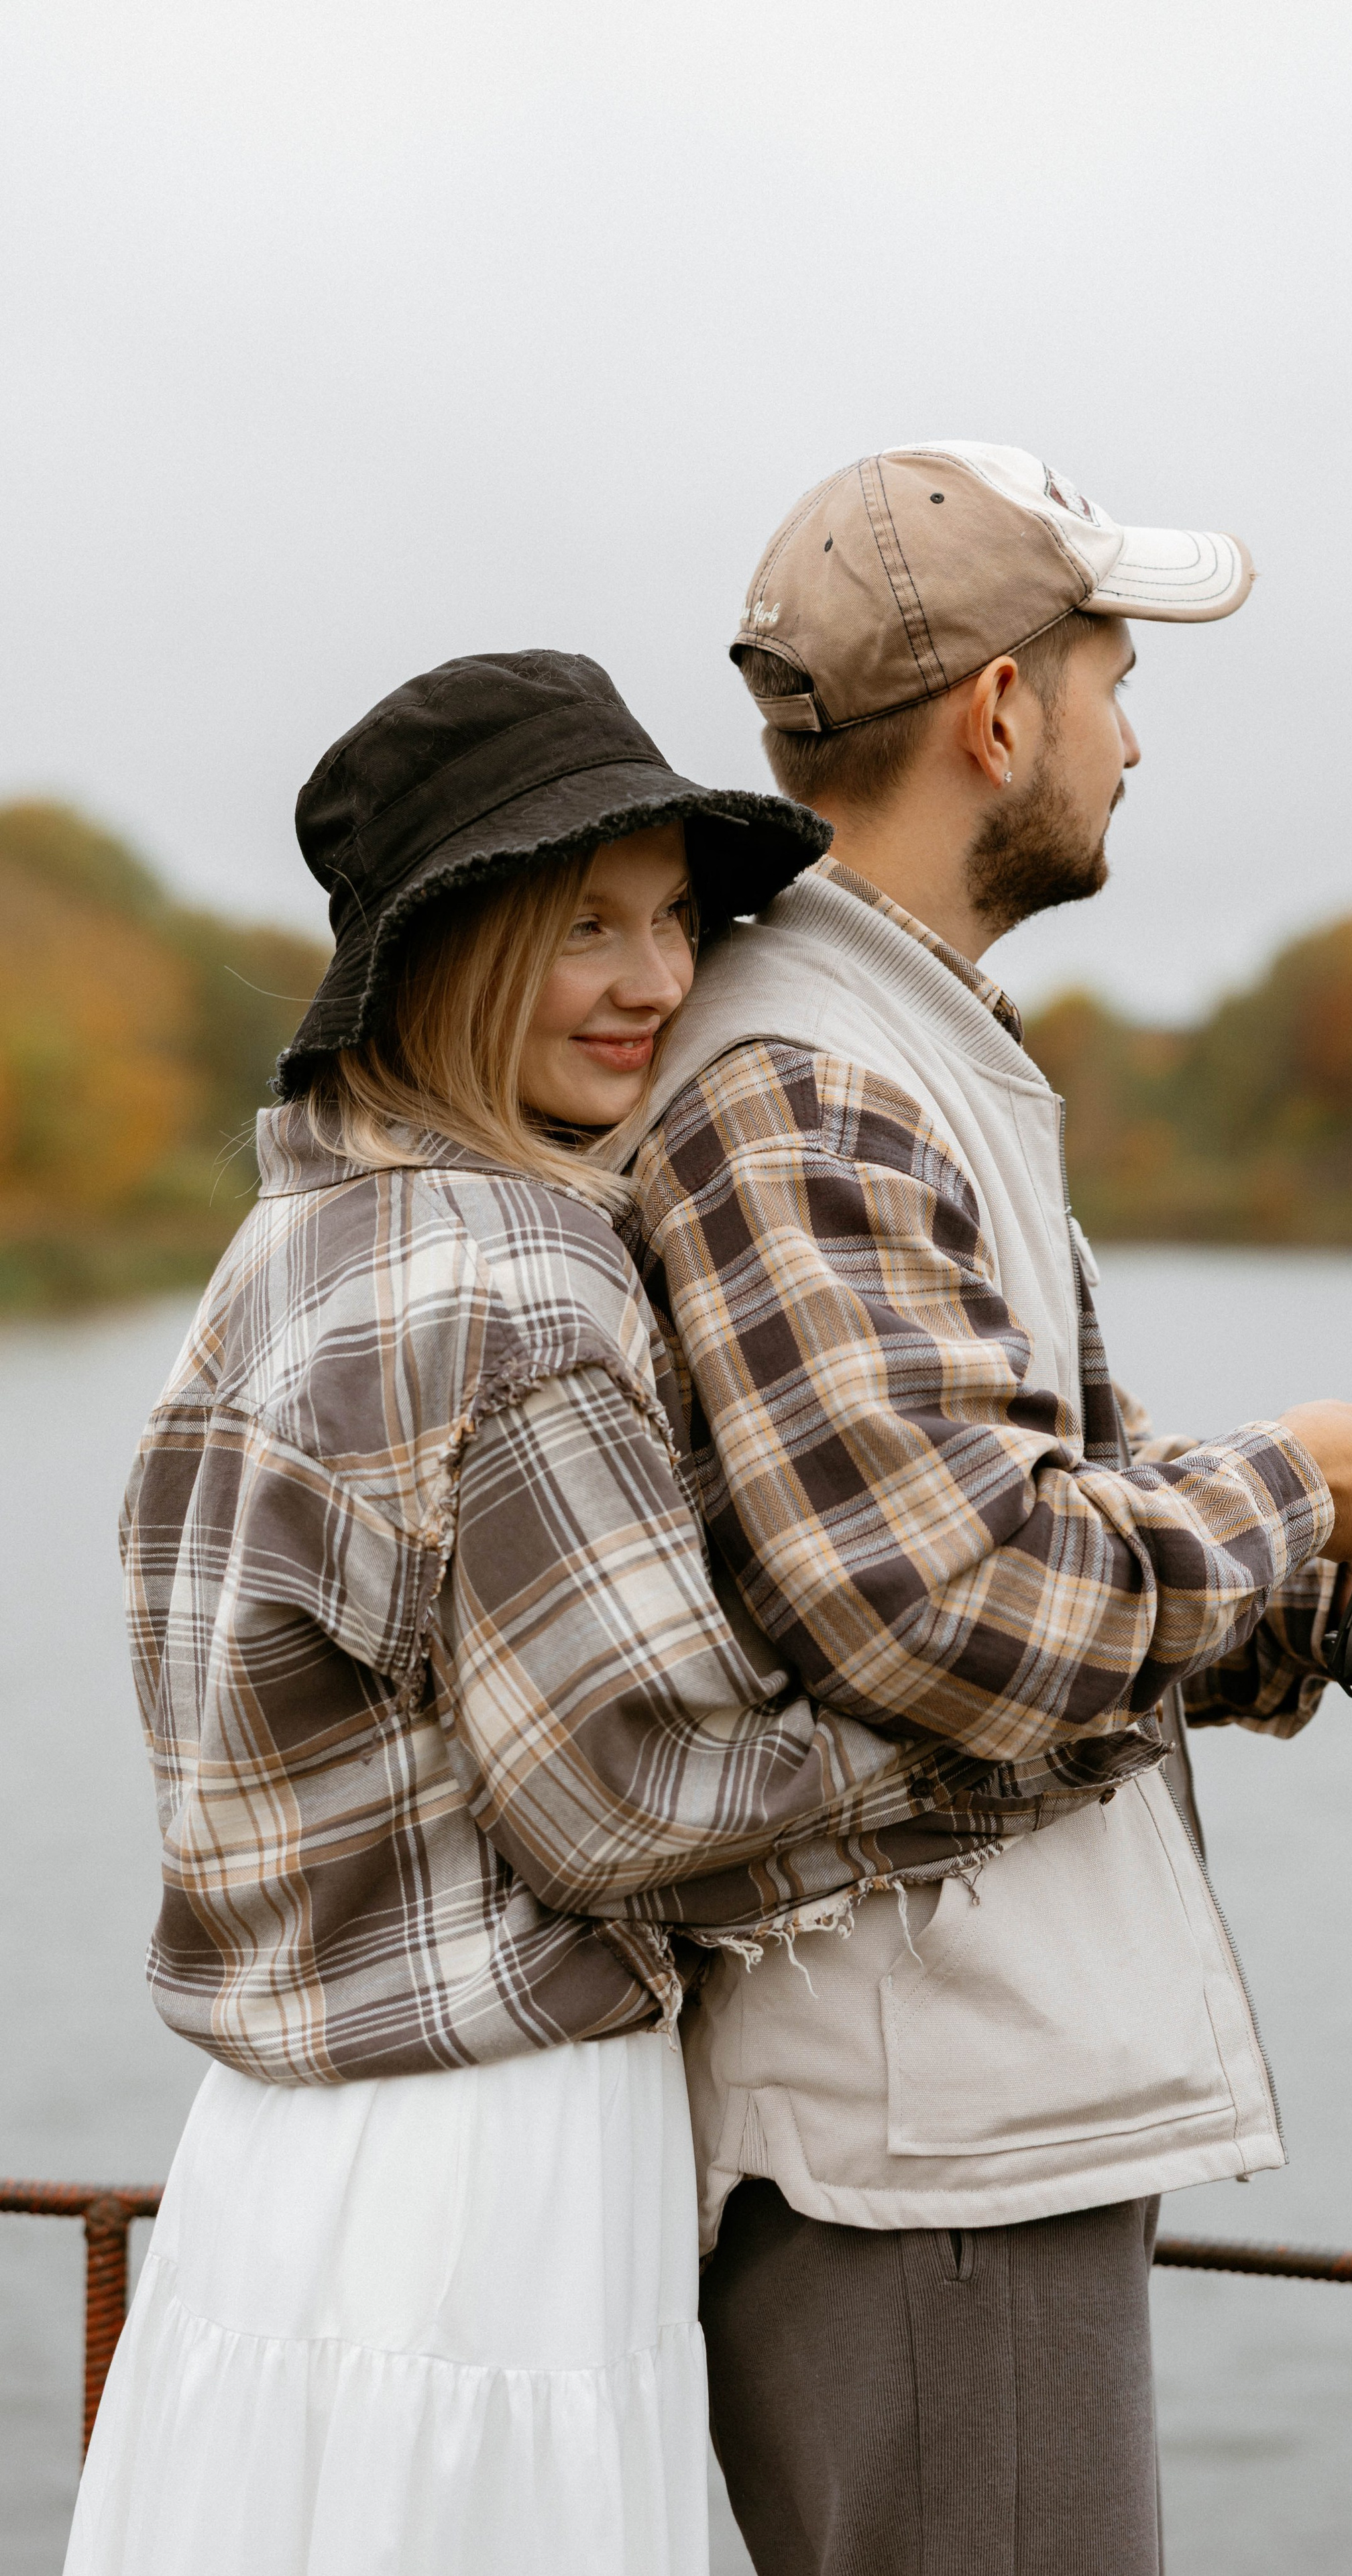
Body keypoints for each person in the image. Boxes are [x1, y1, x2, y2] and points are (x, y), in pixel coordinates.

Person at [66, 650, 1133, 2576]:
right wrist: (1050, 1722)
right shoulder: (527, 1283)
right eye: (585, 931)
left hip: (275, 2160)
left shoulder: (293, 1233)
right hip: (484, 2167)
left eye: (672, 920)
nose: (657, 984)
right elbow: (644, 1797)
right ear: (453, 952)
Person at [618, 445, 1352, 2576]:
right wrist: (1300, 1480)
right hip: (925, 2154)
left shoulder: (901, 1042)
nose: (1137, 733)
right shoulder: (805, 1075)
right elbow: (950, 1602)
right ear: (1000, 715)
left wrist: (1342, 1588)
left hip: (959, 2135)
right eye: (1116, 676)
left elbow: (1016, 1534)